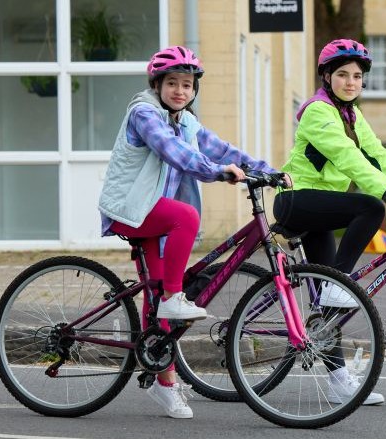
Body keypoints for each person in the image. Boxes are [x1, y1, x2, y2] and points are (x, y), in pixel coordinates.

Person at [98, 46, 289, 419]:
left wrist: (267, 170)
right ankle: (173, 296)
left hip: (156, 213)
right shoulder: (144, 113)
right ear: (157, 85)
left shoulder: (187, 121)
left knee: (157, 303)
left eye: (187, 85)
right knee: (185, 220)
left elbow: (221, 148)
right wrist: (218, 172)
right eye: (172, 83)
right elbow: (173, 152)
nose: (180, 91)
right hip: (132, 209)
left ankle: (163, 381)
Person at [273, 38, 386, 406]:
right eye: (343, 75)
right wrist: (383, 193)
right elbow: (349, 159)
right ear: (327, 77)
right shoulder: (318, 111)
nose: (351, 82)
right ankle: (338, 284)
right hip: (296, 201)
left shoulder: (351, 115)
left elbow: (379, 156)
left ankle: (338, 381)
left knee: (327, 309)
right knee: (369, 208)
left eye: (358, 76)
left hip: (321, 210)